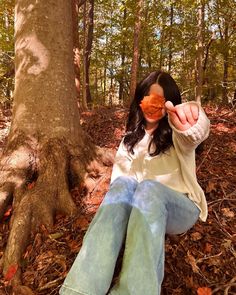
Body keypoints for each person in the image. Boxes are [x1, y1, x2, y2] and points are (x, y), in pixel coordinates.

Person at [59, 70, 210, 295]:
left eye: (159, 101)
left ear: (169, 104)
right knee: (121, 185)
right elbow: (120, 190)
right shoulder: (129, 141)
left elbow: (194, 133)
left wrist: (192, 117)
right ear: (140, 101)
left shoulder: (177, 137)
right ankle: (80, 290)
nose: (153, 106)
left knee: (148, 188)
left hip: (180, 208)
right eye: (148, 99)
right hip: (142, 209)